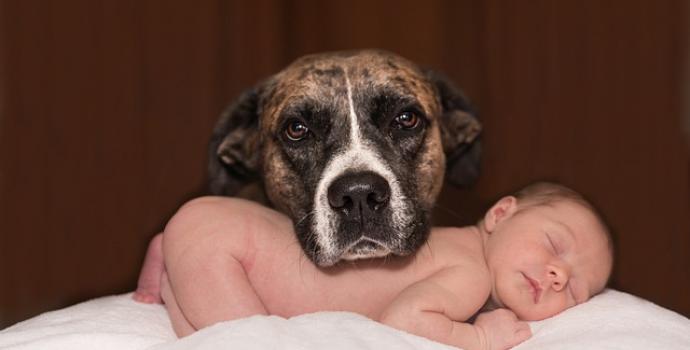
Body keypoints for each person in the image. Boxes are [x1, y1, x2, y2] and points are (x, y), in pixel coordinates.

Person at [133, 182, 614, 350]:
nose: (557, 275)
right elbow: (404, 322)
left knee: (197, 243)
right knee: (247, 339)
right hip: (229, 253)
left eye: (574, 290)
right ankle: (179, 263)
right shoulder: (471, 273)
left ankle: (171, 252)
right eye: (554, 244)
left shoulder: (458, 249)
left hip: (215, 222)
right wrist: (480, 339)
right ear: (501, 213)